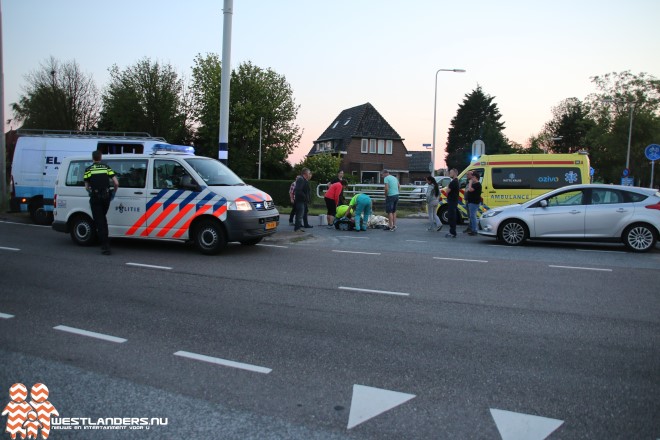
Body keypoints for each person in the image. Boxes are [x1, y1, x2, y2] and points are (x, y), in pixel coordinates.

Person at [84, 150, 119, 254]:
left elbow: (86, 187)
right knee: (103, 219)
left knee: (100, 221)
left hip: (95, 197)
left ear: (92, 158)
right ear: (101, 157)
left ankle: (105, 246)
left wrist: (91, 191)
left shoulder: (88, 170)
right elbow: (116, 183)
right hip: (106, 197)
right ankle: (106, 241)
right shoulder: (106, 168)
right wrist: (113, 192)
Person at [294, 168, 313, 232]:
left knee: (304, 212)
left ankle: (303, 225)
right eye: (309, 173)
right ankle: (297, 229)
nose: (310, 174)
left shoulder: (304, 180)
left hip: (303, 200)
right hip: (300, 200)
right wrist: (305, 197)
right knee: (299, 214)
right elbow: (298, 190)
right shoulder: (301, 180)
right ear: (305, 174)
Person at [466, 171, 482, 236]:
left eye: (473, 177)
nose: (471, 179)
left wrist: (470, 183)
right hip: (471, 202)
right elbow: (467, 190)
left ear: (476, 178)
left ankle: (475, 230)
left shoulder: (477, 184)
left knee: (473, 216)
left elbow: (470, 189)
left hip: (474, 202)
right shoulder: (474, 184)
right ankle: (473, 229)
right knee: (472, 216)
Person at [445, 168, 459, 238]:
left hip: (452, 201)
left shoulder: (453, 182)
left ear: (454, 173)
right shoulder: (456, 181)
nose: (450, 174)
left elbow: (447, 191)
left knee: (451, 217)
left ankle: (452, 232)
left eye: (451, 172)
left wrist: (448, 186)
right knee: (452, 216)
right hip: (454, 201)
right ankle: (452, 232)